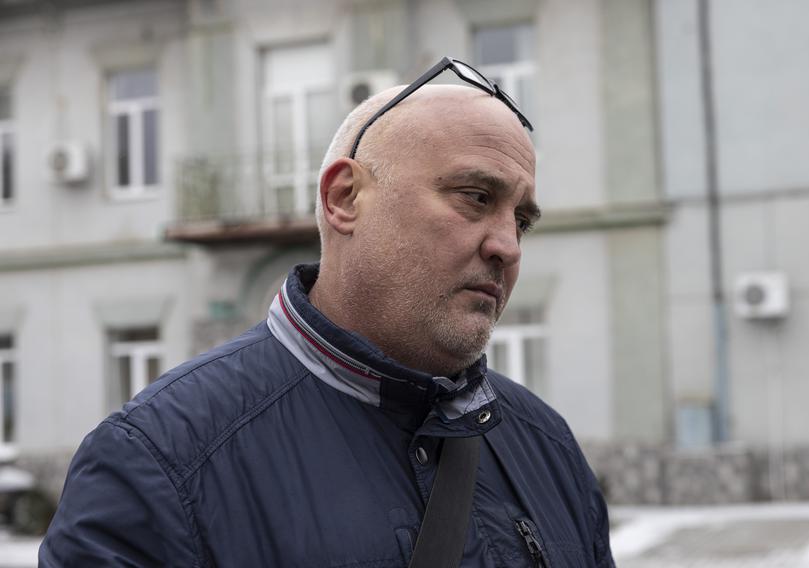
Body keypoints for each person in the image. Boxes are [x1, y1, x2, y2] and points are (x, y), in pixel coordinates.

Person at [40, 58, 615, 567]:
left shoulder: (547, 444)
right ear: (345, 198)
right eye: (475, 197)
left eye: (522, 219)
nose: (508, 246)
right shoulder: (160, 462)